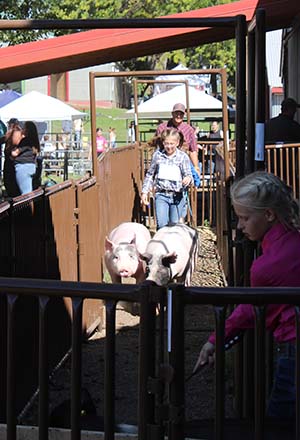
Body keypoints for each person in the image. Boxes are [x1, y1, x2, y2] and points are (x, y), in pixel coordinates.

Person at [194, 171, 300, 419]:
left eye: (244, 218)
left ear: (269, 215)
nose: (240, 226)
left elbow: (251, 309)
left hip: (293, 349)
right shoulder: (293, 241)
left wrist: (215, 340)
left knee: (281, 421)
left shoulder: (268, 266)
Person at [141, 128, 192, 229]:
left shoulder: (183, 157)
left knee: (174, 225)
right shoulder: (158, 156)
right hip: (161, 195)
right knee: (162, 225)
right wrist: (144, 192)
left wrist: (188, 179)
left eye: (172, 144)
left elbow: (188, 174)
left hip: (177, 195)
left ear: (177, 143)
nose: (169, 146)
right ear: (163, 143)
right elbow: (150, 174)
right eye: (166, 143)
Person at [155, 103, 200, 176]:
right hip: (164, 163)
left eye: (181, 114)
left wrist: (196, 167)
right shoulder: (162, 128)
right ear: (172, 114)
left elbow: (193, 150)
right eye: (176, 113)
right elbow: (156, 148)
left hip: (182, 164)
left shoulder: (189, 130)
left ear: (184, 115)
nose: (178, 116)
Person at [11, 121, 40, 195]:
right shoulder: (34, 141)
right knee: (28, 190)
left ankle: (28, 206)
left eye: (24, 128)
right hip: (31, 166)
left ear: (27, 130)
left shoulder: (26, 141)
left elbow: (15, 153)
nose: (22, 130)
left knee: (26, 194)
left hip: (23, 167)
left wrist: (11, 150)